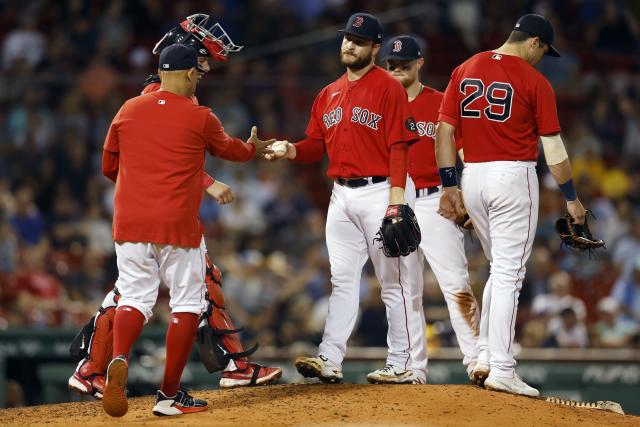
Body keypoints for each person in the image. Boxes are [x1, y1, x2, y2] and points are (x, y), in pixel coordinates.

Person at [67, 15, 281, 401]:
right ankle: (99, 370)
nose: (210, 61)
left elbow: (129, 159)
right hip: (167, 216)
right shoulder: (166, 98)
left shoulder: (137, 104)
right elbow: (159, 157)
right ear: (186, 60)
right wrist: (206, 182)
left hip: (133, 216)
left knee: (139, 293)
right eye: (204, 55)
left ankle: (103, 367)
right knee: (171, 293)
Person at [267, 13, 426, 384]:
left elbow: (400, 146)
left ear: (374, 47)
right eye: (346, 38)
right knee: (342, 281)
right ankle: (330, 358)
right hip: (341, 196)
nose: (349, 44)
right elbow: (314, 146)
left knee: (394, 282)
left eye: (358, 40)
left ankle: (402, 362)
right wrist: (288, 148)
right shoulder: (328, 93)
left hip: (381, 190)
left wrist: (397, 201)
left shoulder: (388, 87)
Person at [436, 14, 587, 397]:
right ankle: (503, 367)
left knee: (497, 270)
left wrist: (449, 185)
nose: (542, 58)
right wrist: (571, 197)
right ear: (534, 42)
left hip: (472, 176)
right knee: (509, 275)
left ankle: (485, 354)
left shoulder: (465, 67)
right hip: (512, 177)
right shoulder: (534, 80)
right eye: (543, 51)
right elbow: (553, 150)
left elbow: (445, 131)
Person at [382, 35, 481, 381]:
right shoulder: (380, 106)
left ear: (419, 62)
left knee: (455, 282)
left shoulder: (440, 102)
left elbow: (466, 150)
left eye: (404, 64)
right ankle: (411, 367)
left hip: (434, 197)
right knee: (404, 289)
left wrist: (467, 195)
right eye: (391, 65)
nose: (397, 70)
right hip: (396, 200)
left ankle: (478, 359)